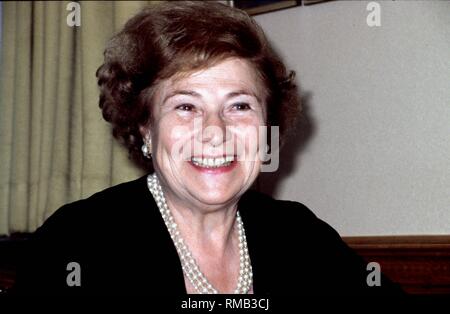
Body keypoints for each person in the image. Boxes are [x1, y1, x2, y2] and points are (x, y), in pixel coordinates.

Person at [12, 1, 402, 295]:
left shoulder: (300, 236)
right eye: (186, 106)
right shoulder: (79, 241)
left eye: (239, 105)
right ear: (146, 127)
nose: (215, 132)